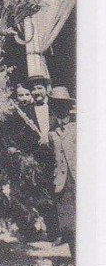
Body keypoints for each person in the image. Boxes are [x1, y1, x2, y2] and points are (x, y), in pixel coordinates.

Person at [49, 86, 76, 255]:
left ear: (68, 107)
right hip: (62, 182)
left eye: (63, 105)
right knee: (67, 224)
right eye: (56, 105)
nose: (60, 109)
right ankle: (74, 258)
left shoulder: (78, 128)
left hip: (79, 179)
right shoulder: (52, 134)